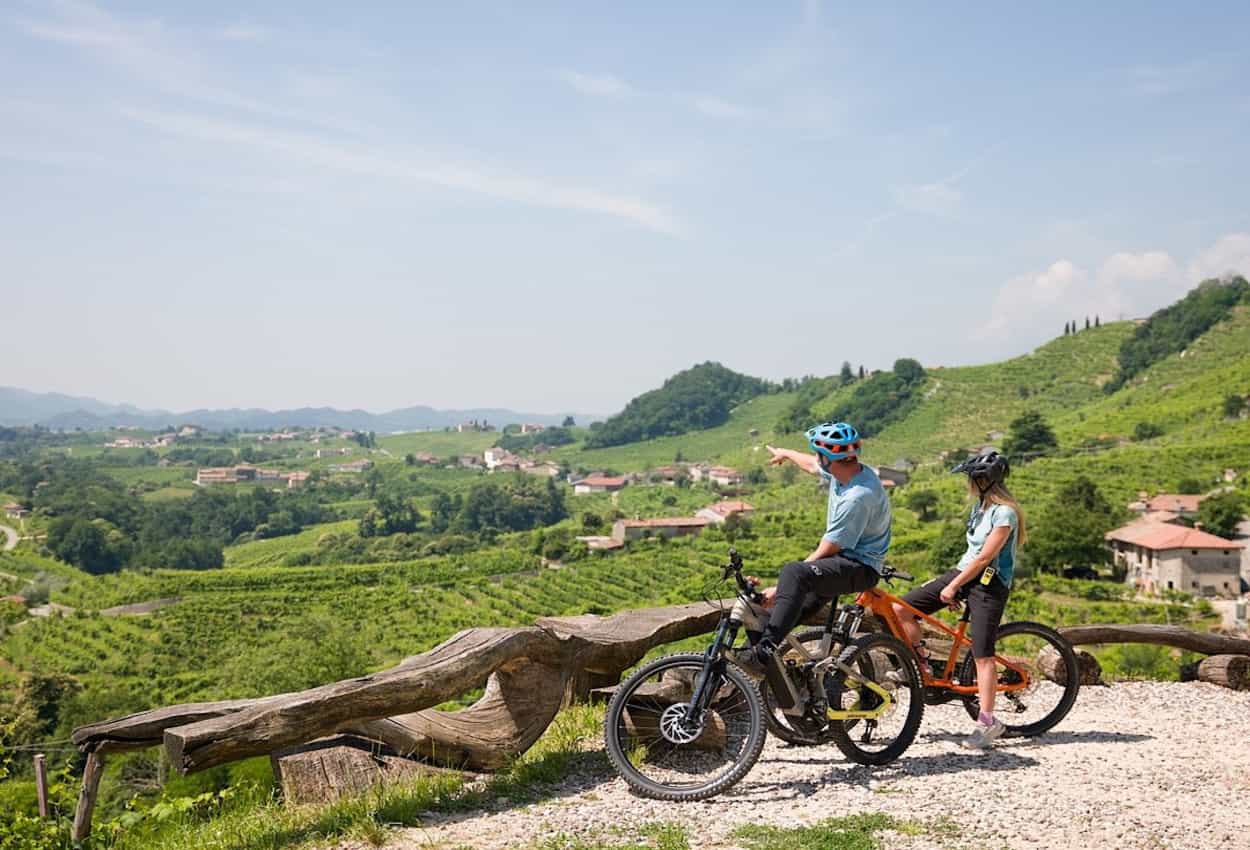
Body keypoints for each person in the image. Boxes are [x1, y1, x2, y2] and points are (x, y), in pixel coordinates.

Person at [891, 451, 1025, 750]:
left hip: (988, 583)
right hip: (964, 573)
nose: (968, 484)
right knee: (901, 608)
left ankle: (988, 723)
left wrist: (953, 587)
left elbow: (985, 558)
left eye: (970, 478)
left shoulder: (1005, 513)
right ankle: (921, 665)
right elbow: (971, 556)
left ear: (983, 480)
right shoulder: (980, 507)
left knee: (983, 655)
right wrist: (955, 582)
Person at [735, 421, 892, 675]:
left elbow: (829, 547)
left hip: (859, 567)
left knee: (794, 573)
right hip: (843, 561)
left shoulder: (858, 496)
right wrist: (785, 453)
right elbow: (810, 464)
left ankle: (762, 655)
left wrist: (781, 587)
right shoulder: (848, 472)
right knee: (781, 613)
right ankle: (762, 675)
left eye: (819, 454)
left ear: (829, 459)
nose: (817, 459)